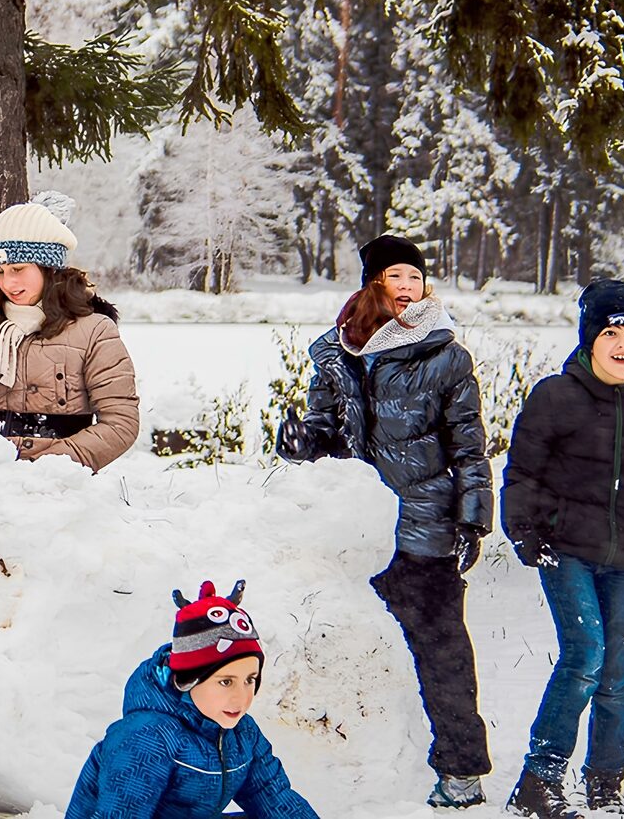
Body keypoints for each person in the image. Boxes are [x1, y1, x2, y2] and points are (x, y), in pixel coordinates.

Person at [275, 234, 492, 808]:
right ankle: (351, 766)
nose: (408, 287)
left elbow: (469, 445)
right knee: (349, 648)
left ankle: (460, 770)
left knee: (442, 649)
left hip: (423, 528)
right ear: (372, 283)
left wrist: (473, 518)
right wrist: (297, 441)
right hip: (355, 536)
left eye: (416, 278)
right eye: (396, 276)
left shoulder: (445, 356)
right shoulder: (336, 353)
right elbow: (321, 436)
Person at [500, 279, 624, 818]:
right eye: (611, 331)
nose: (623, 342)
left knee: (618, 670)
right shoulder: (557, 395)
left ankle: (604, 781)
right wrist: (526, 531)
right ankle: (538, 780)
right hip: (564, 545)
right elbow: (522, 469)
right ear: (590, 338)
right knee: (585, 655)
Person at [64, 579, 318, 819]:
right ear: (188, 680)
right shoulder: (147, 737)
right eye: (225, 681)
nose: (241, 696)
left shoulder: (243, 735)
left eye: (250, 679)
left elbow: (273, 797)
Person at [0, 192, 139, 468]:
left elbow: (121, 422)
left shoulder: (94, 330)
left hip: (60, 482)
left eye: (18, 269)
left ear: (48, 267)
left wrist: (51, 464)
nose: (8, 282)